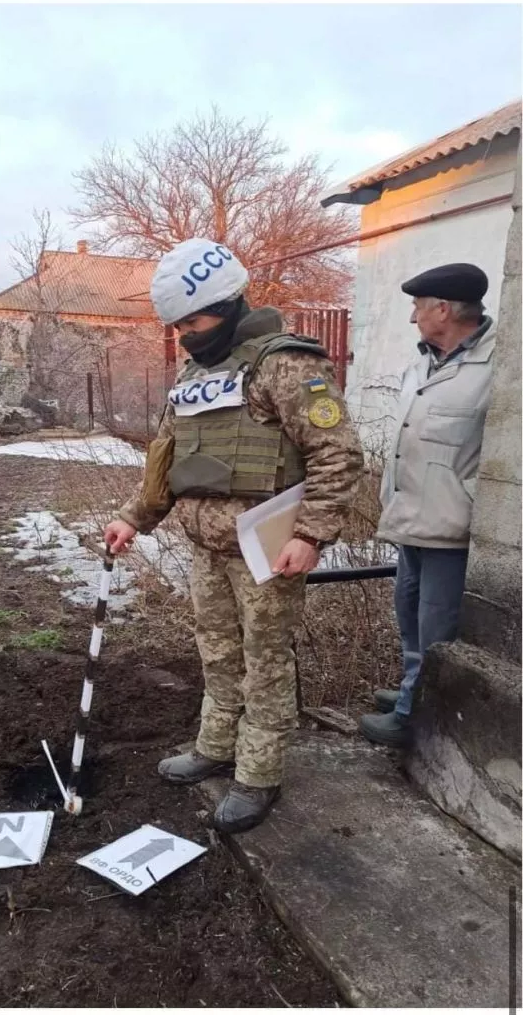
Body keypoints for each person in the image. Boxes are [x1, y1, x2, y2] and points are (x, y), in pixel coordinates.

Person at [104, 238, 364, 833]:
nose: (185, 335)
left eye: (192, 322)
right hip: (206, 548)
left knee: (265, 660)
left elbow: (337, 455)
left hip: (266, 548)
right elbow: (167, 461)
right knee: (217, 652)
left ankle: (259, 774)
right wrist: (132, 517)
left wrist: (311, 534)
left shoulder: (287, 363)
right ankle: (215, 747)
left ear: (226, 304)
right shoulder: (197, 373)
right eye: (178, 325)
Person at [360, 263, 496, 748]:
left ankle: (413, 718)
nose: (413, 317)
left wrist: (474, 499)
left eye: (419, 307)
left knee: (436, 628)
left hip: (451, 524)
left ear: (443, 309)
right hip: (409, 518)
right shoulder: (423, 362)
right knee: (409, 616)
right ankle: (409, 693)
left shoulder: (498, 364)